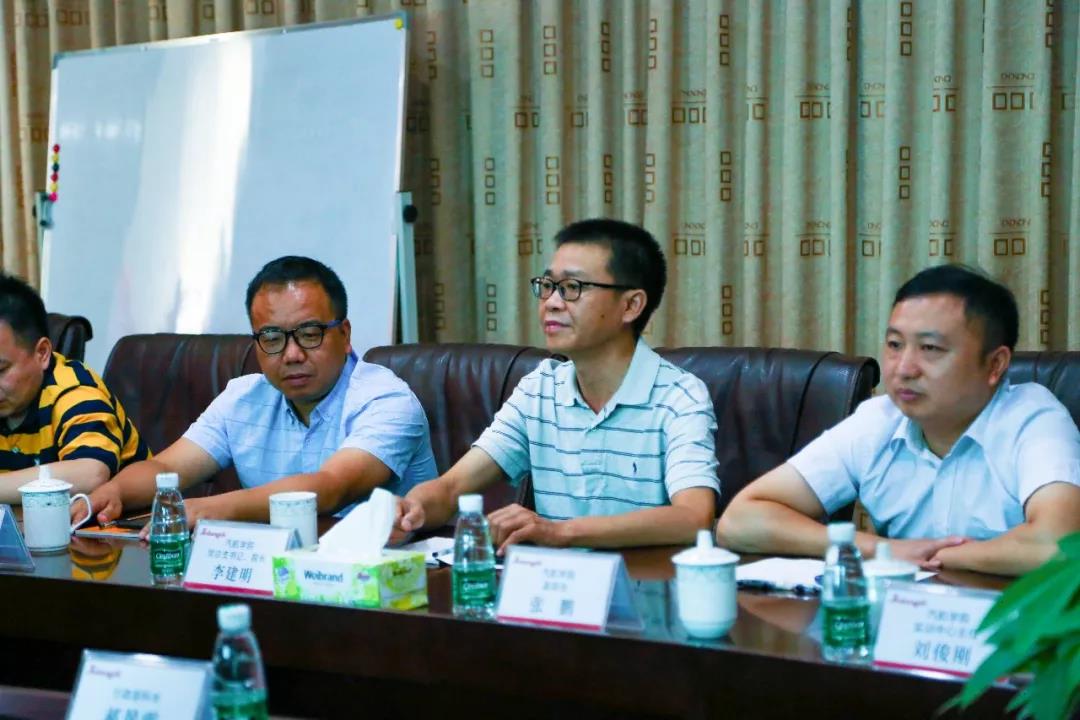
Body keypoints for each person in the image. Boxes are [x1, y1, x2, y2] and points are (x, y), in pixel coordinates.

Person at [716, 264, 1080, 577]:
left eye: (930, 348)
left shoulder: (1033, 419)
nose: (904, 369)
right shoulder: (879, 420)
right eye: (894, 345)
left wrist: (938, 556)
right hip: (903, 622)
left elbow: (1059, 546)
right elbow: (739, 522)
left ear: (995, 364)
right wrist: (881, 549)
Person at [397, 219, 719, 552]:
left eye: (572, 287)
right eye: (548, 285)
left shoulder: (680, 396)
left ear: (630, 305)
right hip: (554, 581)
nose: (551, 302)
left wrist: (561, 532)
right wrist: (409, 510)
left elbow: (693, 517)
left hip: (646, 581)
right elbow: (452, 488)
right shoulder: (540, 389)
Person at [86, 256, 437, 527]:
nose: (292, 354)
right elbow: (165, 468)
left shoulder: (386, 400)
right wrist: (114, 492)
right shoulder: (242, 398)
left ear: (344, 335)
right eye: (272, 338)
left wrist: (210, 509)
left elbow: (331, 487)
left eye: (309, 334)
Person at [0, 272, 150, 503]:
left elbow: (91, 473)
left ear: (42, 353)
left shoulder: (74, 390)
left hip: (125, 522)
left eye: (1, 369)